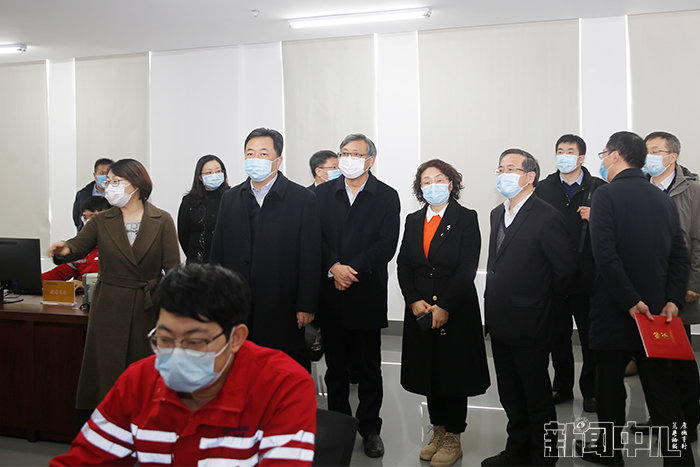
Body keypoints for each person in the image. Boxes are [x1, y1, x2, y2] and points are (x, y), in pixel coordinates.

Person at [51, 262, 317, 466]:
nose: (177, 354)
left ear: (235, 338)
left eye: (195, 342)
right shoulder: (139, 380)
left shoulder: (282, 385)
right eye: (165, 339)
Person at [575, 131, 692, 466]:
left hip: (615, 308)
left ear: (615, 155)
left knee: (609, 385)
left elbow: (606, 255)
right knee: (661, 389)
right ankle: (680, 459)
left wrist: (628, 300)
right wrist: (673, 300)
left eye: (603, 154)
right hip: (656, 311)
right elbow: (680, 255)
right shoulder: (661, 198)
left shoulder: (606, 195)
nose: (603, 160)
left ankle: (610, 452)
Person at [48, 159, 180, 431]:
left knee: (143, 375)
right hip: (108, 306)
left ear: (136, 185)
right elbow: (78, 246)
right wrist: (64, 250)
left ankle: (145, 433)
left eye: (116, 182)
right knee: (104, 374)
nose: (110, 187)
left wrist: (174, 313)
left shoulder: (162, 219)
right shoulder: (102, 220)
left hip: (147, 306)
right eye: (108, 182)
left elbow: (173, 270)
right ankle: (102, 432)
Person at [481, 149, 577, 467]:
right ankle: (517, 450)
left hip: (533, 323)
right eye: (500, 169)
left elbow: (566, 271)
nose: (503, 175)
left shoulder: (547, 216)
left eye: (511, 169)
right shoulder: (497, 213)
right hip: (500, 320)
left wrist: (543, 306)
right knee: (510, 395)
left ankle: (544, 457)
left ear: (530, 176)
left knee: (537, 399)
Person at [398, 159, 490, 467]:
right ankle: (437, 431)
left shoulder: (466, 217)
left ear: (451, 184)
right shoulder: (413, 220)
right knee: (429, 371)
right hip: (421, 309)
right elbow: (404, 264)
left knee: (453, 374)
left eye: (439, 179)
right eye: (426, 181)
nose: (432, 186)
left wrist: (445, 306)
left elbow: (467, 267)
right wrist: (413, 300)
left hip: (456, 307)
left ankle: (453, 436)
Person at [315, 133, 400, 458]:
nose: (348, 159)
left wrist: (351, 270)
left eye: (356, 154)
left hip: (366, 291)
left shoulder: (386, 196)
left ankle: (370, 429)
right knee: (335, 368)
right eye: (344, 153)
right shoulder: (321, 194)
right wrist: (334, 267)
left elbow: (386, 244)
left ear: (370, 160)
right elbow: (315, 238)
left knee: (368, 368)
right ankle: (339, 426)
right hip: (331, 292)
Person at [210, 128, 322, 372]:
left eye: (263, 154)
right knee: (240, 369)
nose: (255, 159)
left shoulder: (302, 199)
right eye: (250, 154)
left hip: (283, 303)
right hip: (238, 303)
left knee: (282, 369)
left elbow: (311, 256)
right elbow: (218, 253)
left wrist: (306, 303)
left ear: (278, 160)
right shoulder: (230, 198)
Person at [627, 131, 700, 443]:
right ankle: (660, 418)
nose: (651, 156)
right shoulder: (640, 187)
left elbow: (697, 241)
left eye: (657, 151)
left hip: (679, 288)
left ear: (673, 157)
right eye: (648, 151)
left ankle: (687, 424)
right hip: (647, 287)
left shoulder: (693, 190)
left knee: (680, 359)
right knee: (653, 360)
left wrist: (692, 282)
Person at [535, 134, 605, 413]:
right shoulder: (542, 188)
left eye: (570, 151)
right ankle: (562, 386)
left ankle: (591, 390)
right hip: (554, 277)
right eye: (560, 151)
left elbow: (616, 230)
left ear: (581, 157)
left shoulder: (599, 188)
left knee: (590, 339)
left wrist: (597, 217)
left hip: (589, 278)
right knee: (558, 337)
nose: (564, 156)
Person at [42, 196, 110, 288]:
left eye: (92, 216)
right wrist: (30, 281)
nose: (88, 221)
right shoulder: (81, 248)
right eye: (85, 218)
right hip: (82, 295)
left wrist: (86, 285)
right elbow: (59, 274)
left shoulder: (114, 246)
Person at [177, 154, 230, 262]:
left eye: (218, 171)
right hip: (198, 264)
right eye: (209, 172)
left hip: (227, 263)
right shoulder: (189, 201)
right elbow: (183, 235)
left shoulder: (232, 197)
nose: (214, 175)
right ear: (200, 177)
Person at [73, 158, 113, 231]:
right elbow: (77, 217)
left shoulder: (118, 194)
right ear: (95, 175)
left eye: (108, 173)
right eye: (102, 173)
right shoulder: (82, 194)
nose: (105, 176)